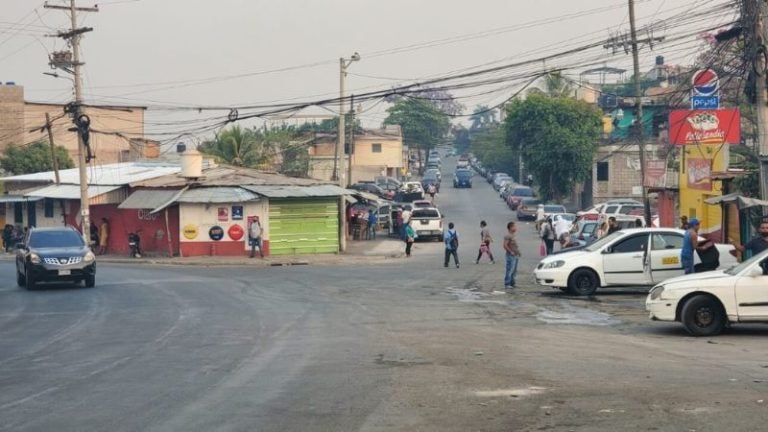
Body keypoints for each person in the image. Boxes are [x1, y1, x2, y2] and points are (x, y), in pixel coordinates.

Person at [503, 221, 521, 290]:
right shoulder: (507, 236)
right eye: (514, 226)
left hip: (515, 255)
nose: (515, 228)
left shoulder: (513, 235)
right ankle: (507, 283)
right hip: (510, 256)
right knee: (510, 270)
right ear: (510, 228)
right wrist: (511, 252)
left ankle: (512, 283)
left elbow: (515, 245)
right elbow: (505, 245)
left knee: (514, 271)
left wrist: (518, 252)